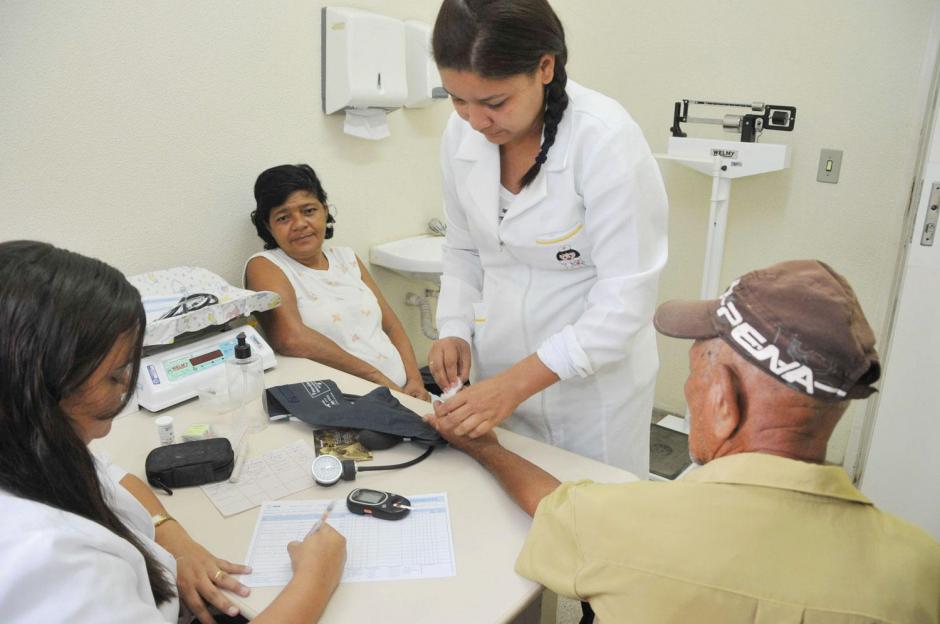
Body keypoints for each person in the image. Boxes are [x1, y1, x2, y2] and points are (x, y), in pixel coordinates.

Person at [428, 259, 940, 623]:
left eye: (695, 375)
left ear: (724, 403)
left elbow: (551, 506)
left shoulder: (622, 524)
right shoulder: (920, 572)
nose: (689, 391)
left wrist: (485, 447)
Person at [0, 240, 346, 623]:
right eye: (115, 375)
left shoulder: (29, 444)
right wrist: (316, 577)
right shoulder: (53, 563)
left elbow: (115, 478)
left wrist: (175, 541)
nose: (124, 387)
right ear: (39, 385)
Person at [427, 0, 668, 475]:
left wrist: (518, 383)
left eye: (494, 102)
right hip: (498, 378)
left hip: (591, 395)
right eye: (457, 98)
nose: (475, 121)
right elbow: (464, 247)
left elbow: (625, 301)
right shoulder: (462, 136)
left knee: (596, 525)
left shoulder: (604, 140)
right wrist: (453, 325)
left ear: (544, 67)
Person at [245, 164, 429, 401]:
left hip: (403, 392)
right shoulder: (266, 265)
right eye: (283, 217)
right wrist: (377, 379)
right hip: (350, 401)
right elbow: (290, 339)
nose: (300, 223)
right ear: (268, 227)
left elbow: (392, 325)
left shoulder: (347, 258)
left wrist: (415, 380)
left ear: (325, 211)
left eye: (309, 211)